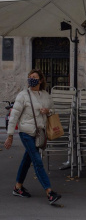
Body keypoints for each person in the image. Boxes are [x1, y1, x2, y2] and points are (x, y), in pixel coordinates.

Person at [4, 69, 61, 205]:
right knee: (37, 160)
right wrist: (10, 135)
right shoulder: (23, 95)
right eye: (30, 77)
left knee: (27, 160)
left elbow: (53, 110)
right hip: (26, 133)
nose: (31, 79)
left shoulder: (46, 95)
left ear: (40, 80)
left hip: (39, 133)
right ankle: (49, 192)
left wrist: (48, 111)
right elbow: (14, 116)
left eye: (34, 77)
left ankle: (18, 187)